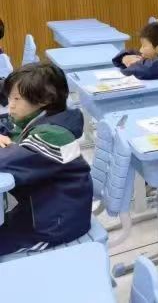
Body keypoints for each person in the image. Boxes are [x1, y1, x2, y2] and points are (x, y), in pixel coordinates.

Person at [0, 63, 92, 256]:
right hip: (41, 210)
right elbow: (12, 134)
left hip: (53, 225)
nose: (10, 105)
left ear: (45, 99)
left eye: (17, 99)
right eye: (9, 97)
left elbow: (6, 161)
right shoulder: (39, 119)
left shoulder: (53, 136)